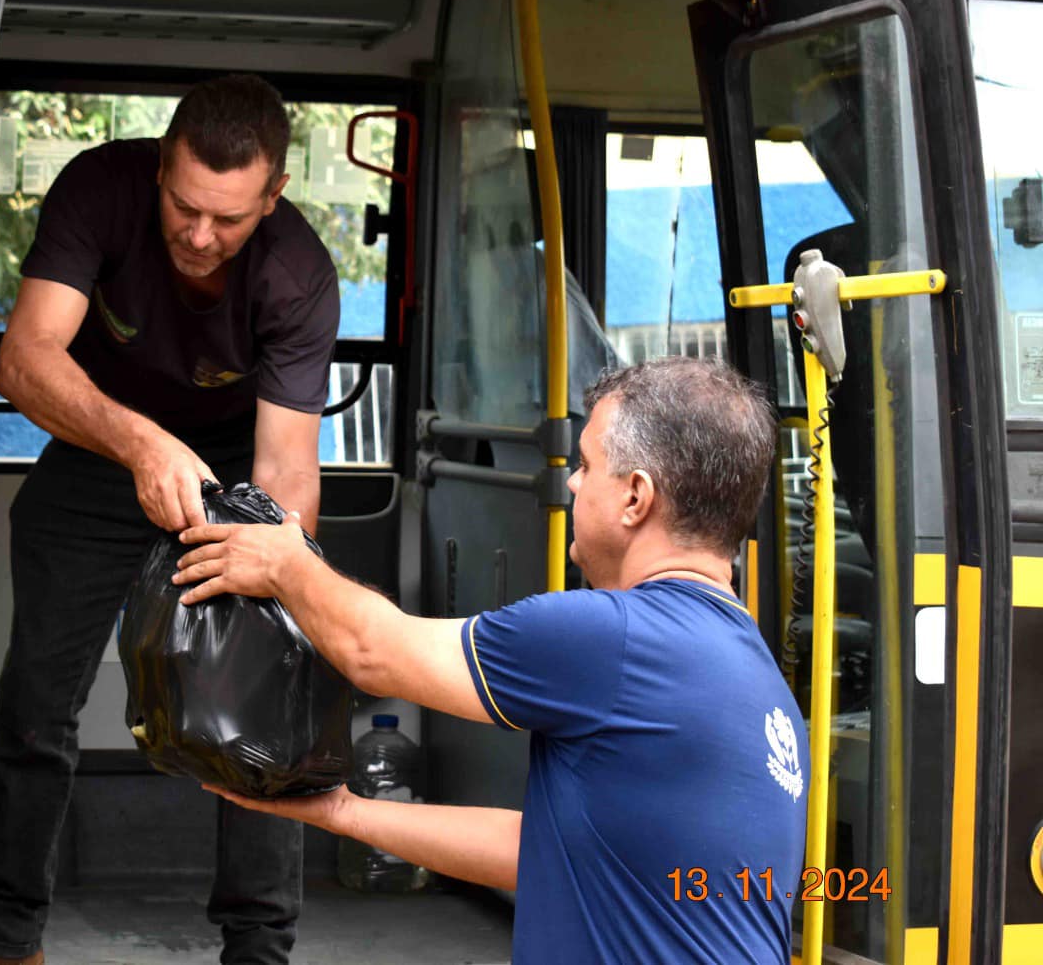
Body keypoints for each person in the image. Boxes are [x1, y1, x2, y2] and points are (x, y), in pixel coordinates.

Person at [173, 358, 810, 964]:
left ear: (636, 498)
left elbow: (373, 651)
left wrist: (286, 564)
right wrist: (343, 812)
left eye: (587, 465)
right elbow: (542, 851)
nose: (572, 481)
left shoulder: (614, 639)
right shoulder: (763, 686)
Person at [0, 74, 339, 965]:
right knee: (34, 706)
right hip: (102, 452)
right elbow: (24, 364)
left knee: (263, 703)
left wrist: (281, 581)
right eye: (184, 206)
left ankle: (258, 952)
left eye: (229, 219)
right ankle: (5, 937)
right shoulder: (100, 187)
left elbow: (287, 465)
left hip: (230, 479)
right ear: (162, 168)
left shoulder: (297, 274)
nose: (200, 235)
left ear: (274, 197)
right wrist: (142, 447)